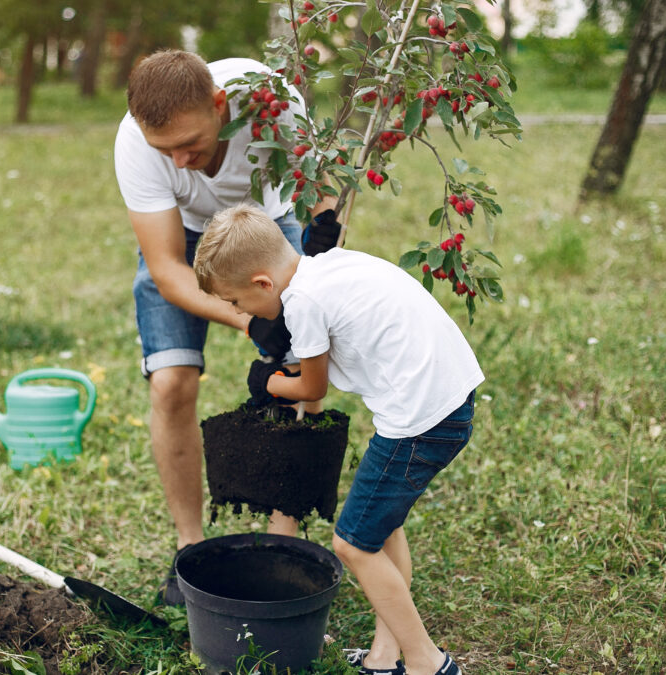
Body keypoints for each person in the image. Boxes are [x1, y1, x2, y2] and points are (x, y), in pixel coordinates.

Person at [193, 204, 482, 675]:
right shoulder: (328, 265)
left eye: (237, 302)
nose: (239, 313)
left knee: (351, 544)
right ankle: (385, 658)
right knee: (381, 527)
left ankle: (429, 662)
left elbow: (311, 387)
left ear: (263, 283)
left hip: (420, 420)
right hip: (446, 397)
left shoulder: (302, 302)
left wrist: (266, 381)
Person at [112, 50, 340, 605]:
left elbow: (324, 188)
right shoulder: (134, 145)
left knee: (295, 363)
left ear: (221, 105)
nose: (182, 161)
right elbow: (167, 269)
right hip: (184, 238)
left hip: (266, 224)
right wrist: (246, 321)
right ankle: (191, 551)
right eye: (166, 150)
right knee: (171, 384)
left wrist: (324, 232)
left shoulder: (272, 101)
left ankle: (280, 544)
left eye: (190, 143)